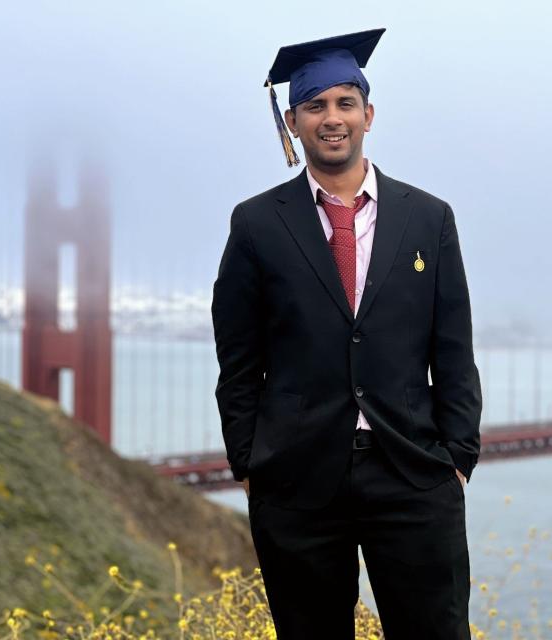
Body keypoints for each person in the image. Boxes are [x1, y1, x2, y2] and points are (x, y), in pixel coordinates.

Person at [211, 27, 482, 640]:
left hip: (412, 472)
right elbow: (238, 356)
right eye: (315, 106)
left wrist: (457, 458)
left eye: (344, 103)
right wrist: (249, 462)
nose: (331, 119)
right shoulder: (256, 223)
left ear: (368, 114)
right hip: (296, 479)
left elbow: (453, 348)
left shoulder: (429, 217)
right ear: (293, 120)